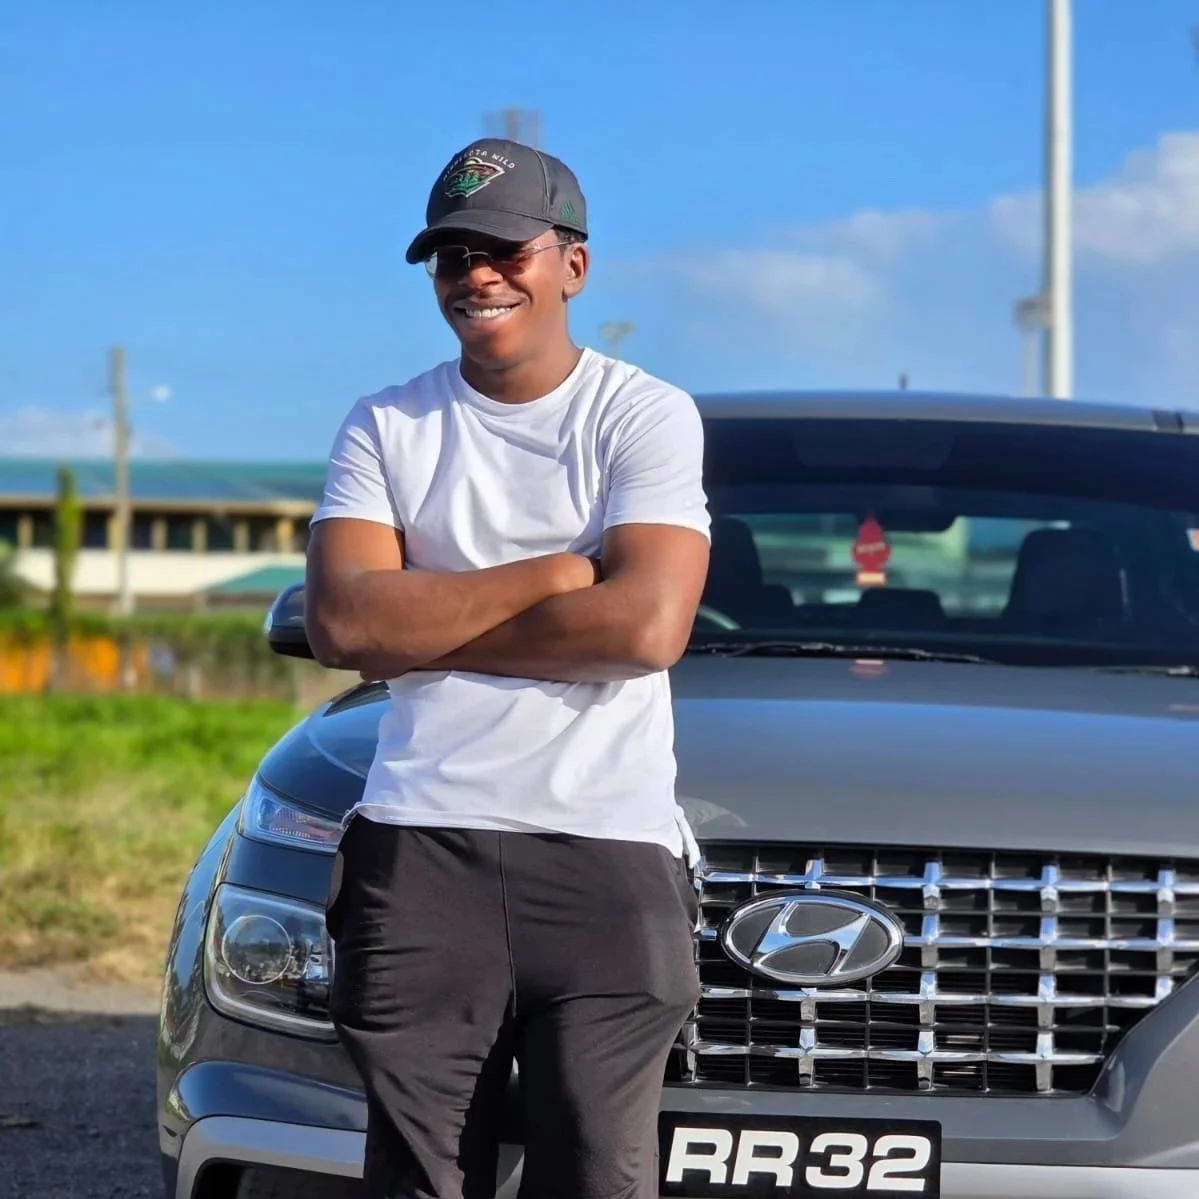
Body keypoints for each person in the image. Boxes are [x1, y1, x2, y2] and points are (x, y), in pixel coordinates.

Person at [305, 136, 711, 1199]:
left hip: (606, 851)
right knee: (418, 1180)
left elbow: (643, 628)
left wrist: (422, 623)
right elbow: (342, 619)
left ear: (570, 263)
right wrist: (556, 570)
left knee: (597, 1173)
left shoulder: (642, 414)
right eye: (449, 257)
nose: (475, 275)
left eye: (501, 249)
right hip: (418, 849)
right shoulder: (387, 421)